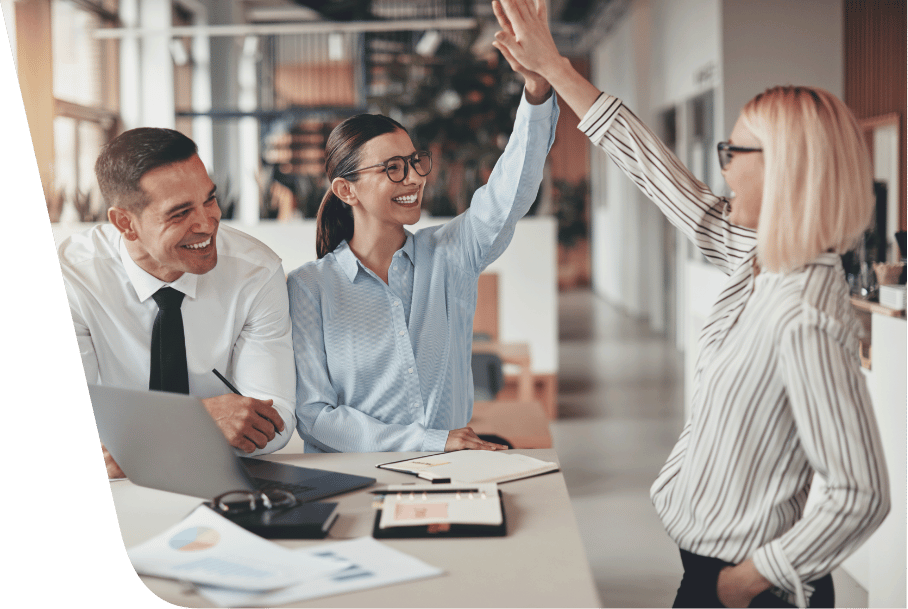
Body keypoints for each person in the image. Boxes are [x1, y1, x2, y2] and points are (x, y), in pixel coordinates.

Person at [491, 1, 890, 607]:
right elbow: (672, 187)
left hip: (752, 588)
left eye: (735, 153)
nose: (723, 169)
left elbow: (861, 493)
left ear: (787, 171)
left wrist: (754, 577)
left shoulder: (801, 310)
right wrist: (557, 72)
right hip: (712, 571)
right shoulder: (761, 259)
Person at [286, 60, 558, 453]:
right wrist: (429, 441)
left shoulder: (451, 255)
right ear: (347, 191)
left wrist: (536, 92)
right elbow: (315, 417)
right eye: (392, 169)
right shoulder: (309, 287)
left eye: (415, 161)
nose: (414, 178)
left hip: (448, 471)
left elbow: (508, 194)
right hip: (355, 475)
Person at [58, 128, 296, 478]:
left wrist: (135, 439)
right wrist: (204, 419)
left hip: (228, 478)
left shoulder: (256, 273)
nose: (207, 223)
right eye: (180, 213)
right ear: (126, 223)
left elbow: (275, 422)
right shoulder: (70, 279)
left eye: (210, 199)